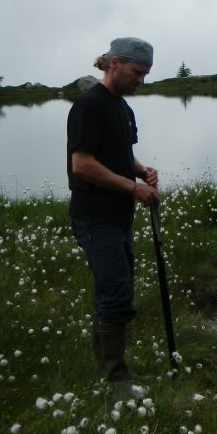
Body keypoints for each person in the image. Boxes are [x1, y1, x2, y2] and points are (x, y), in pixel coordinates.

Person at [67, 37, 160, 383]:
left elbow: (119, 155)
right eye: (137, 72)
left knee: (113, 290)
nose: (141, 80)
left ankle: (111, 370)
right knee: (116, 292)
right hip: (94, 216)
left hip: (117, 216)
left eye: (146, 74)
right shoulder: (90, 105)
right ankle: (116, 379)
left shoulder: (122, 108)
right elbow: (82, 164)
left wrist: (140, 170)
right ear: (114, 63)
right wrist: (133, 188)